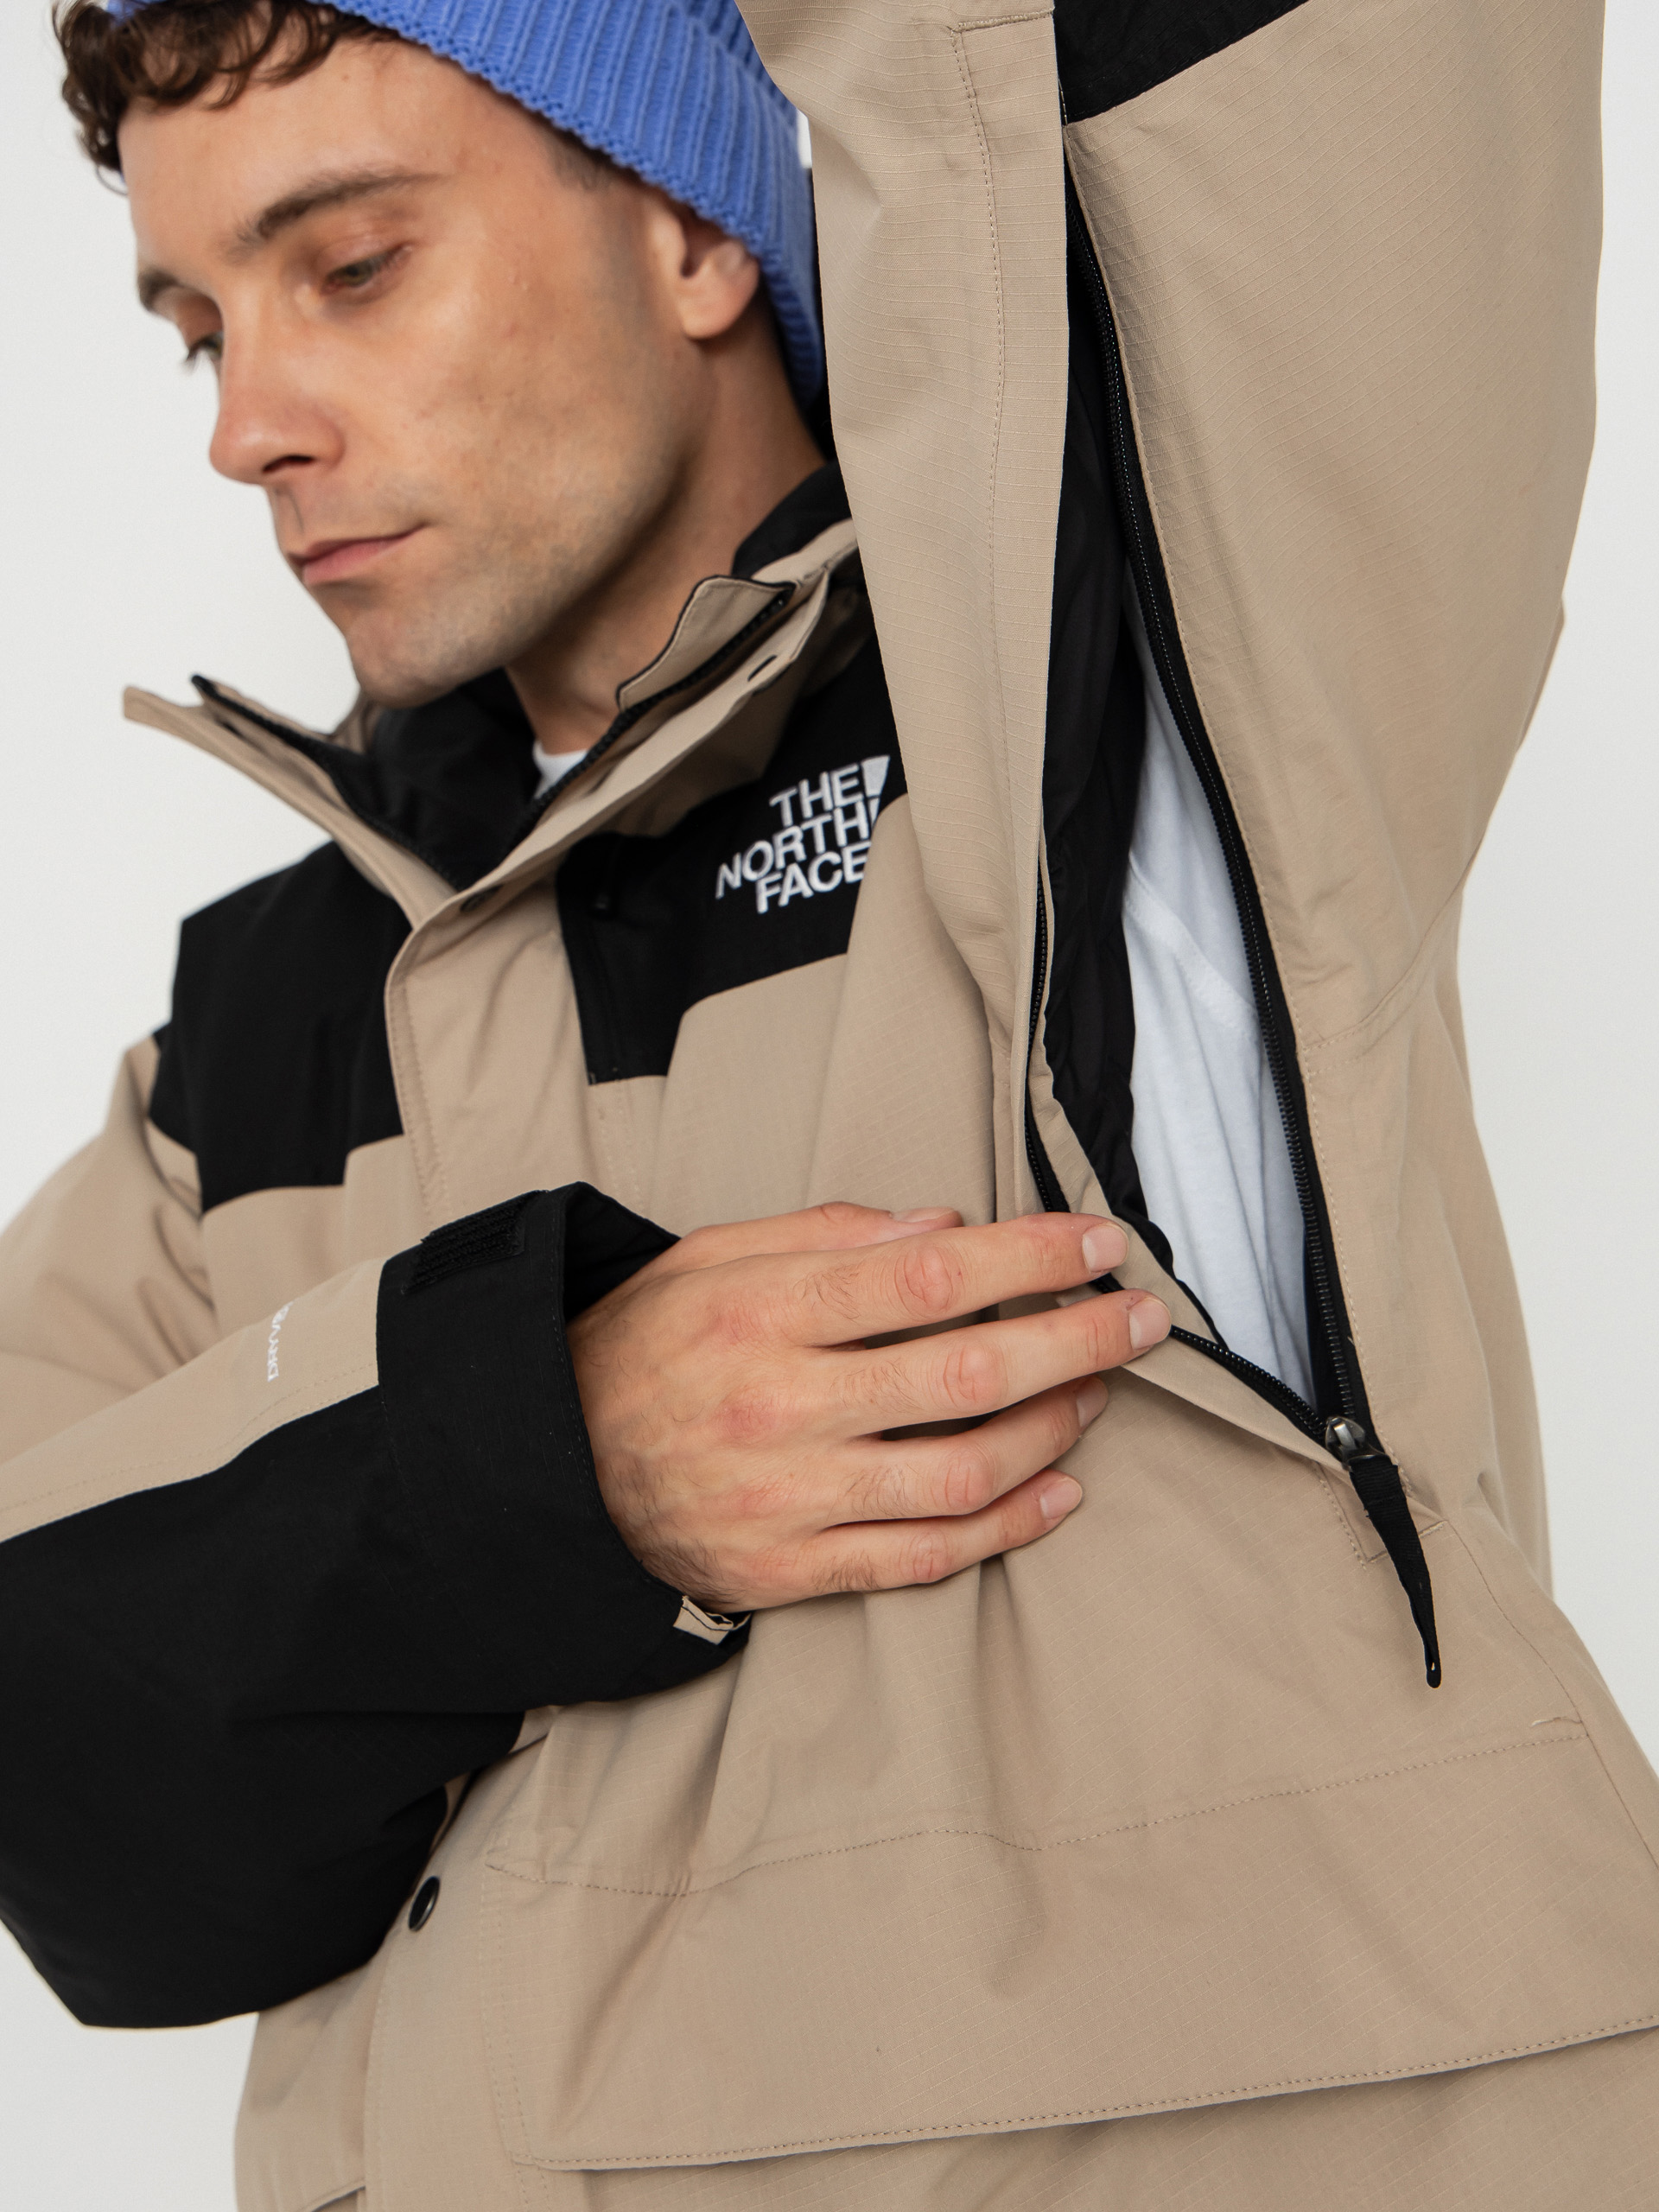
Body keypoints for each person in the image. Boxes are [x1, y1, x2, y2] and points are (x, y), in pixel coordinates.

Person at [1, 0, 1655, 2207]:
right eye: (203, 329)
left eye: (354, 265)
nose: (245, 426)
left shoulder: (1127, 702)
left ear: (697, 230)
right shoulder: (259, 1030)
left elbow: (1306, 99)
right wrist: (546, 1450)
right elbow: (65, 1775)